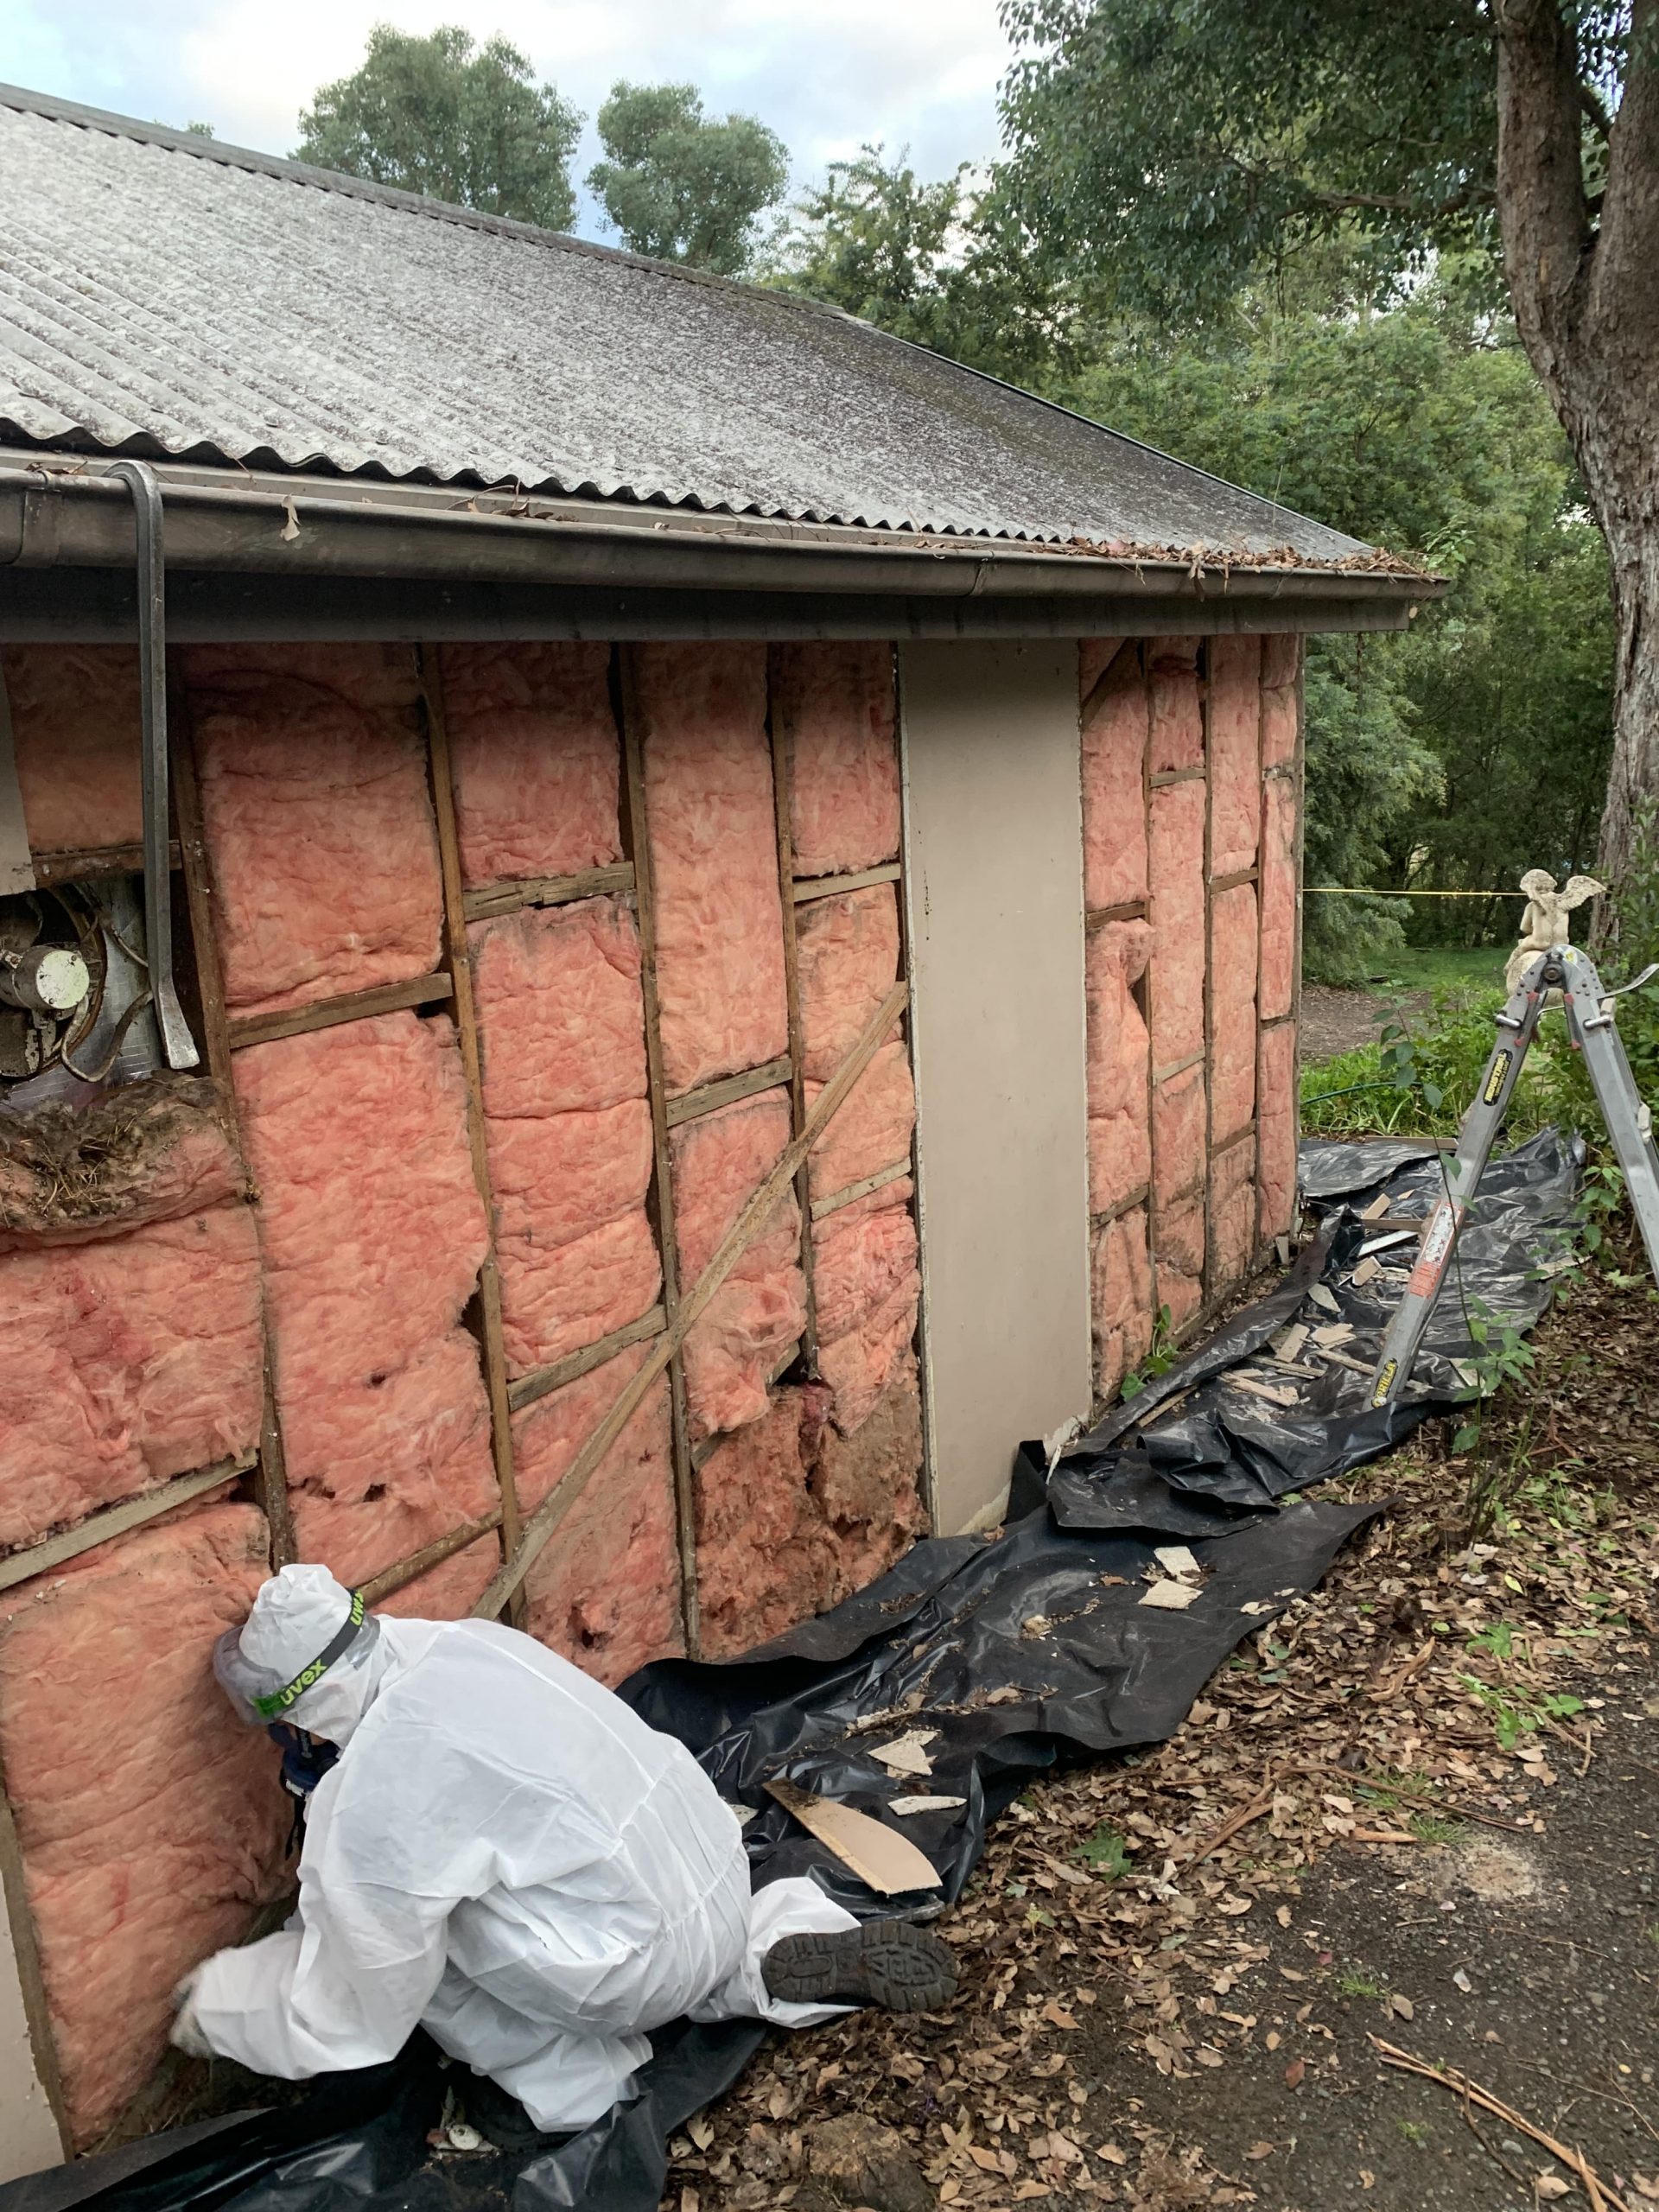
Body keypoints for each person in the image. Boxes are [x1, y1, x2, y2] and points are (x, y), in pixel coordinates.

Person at [174, 1566, 957, 2146]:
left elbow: (359, 1996)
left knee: (416, 1940)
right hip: (718, 1871)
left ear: (303, 1711)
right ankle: (760, 1956)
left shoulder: (378, 1783)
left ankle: (575, 2086)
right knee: (557, 1875)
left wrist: (215, 2008)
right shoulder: (467, 1643)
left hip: (633, 1971)